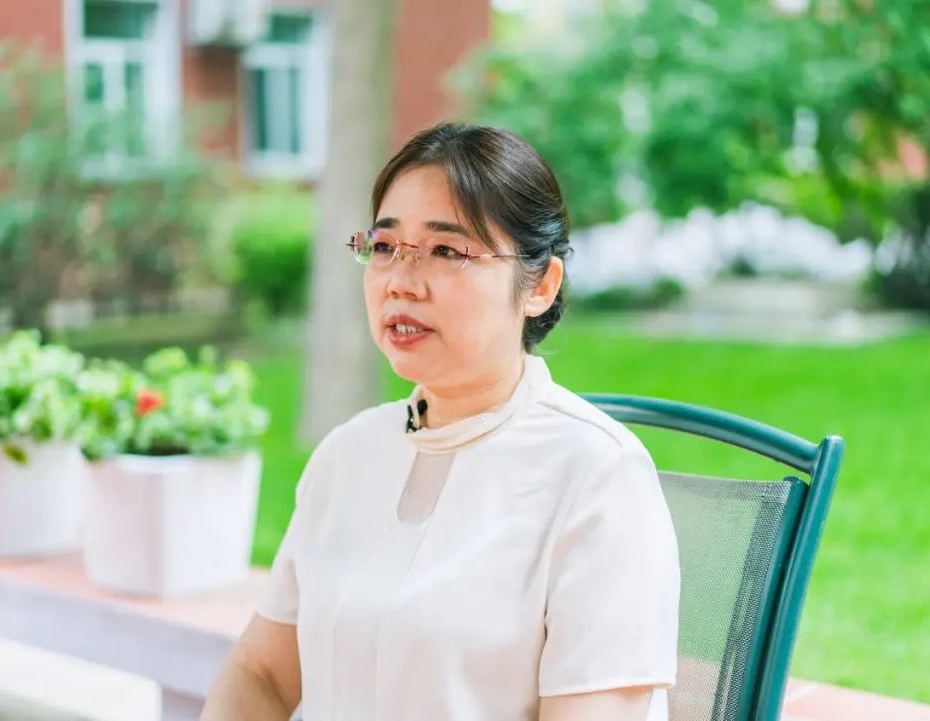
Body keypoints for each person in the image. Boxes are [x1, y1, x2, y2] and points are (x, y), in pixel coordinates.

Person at [201, 123, 679, 721]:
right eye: (384, 247)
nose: (400, 282)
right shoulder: (349, 455)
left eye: (447, 252)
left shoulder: (598, 476)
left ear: (540, 285)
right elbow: (264, 674)